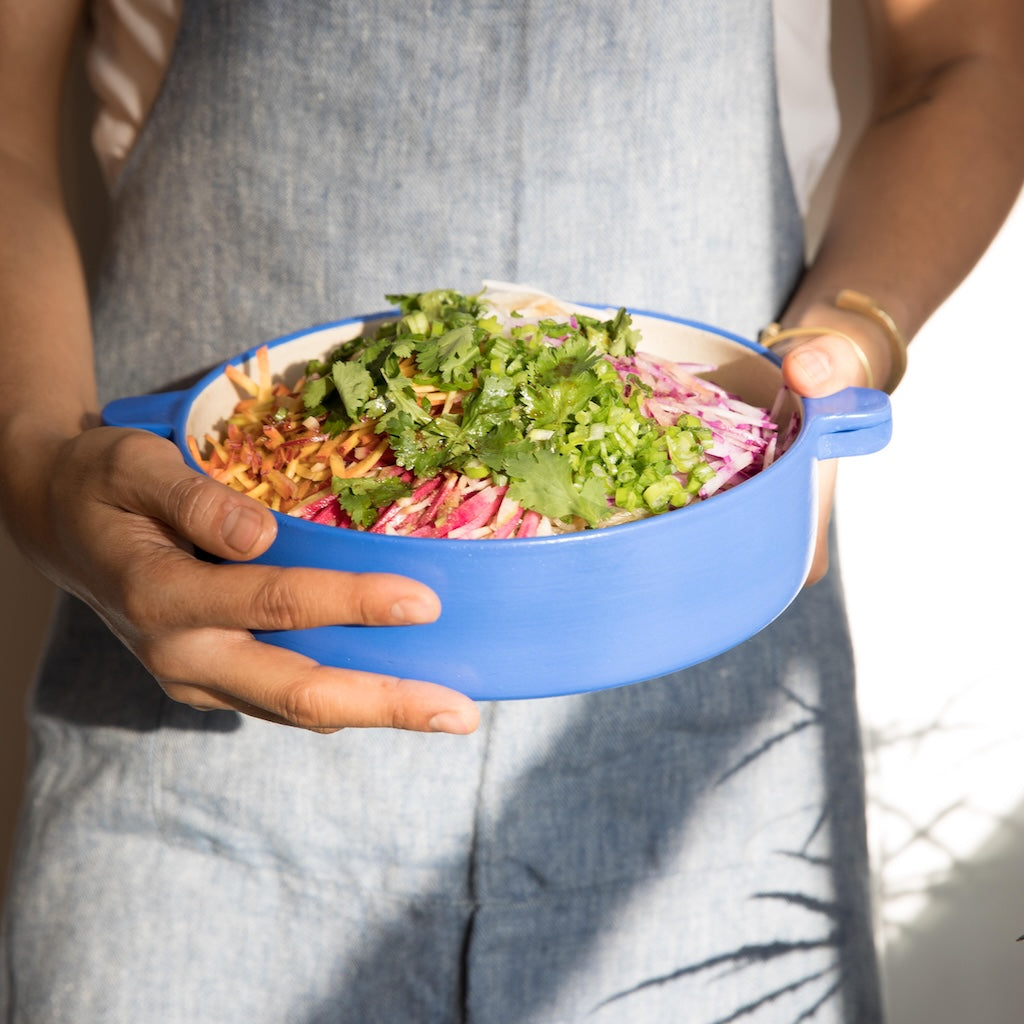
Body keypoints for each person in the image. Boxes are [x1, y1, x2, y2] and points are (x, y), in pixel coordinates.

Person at [0, 1, 1021, 1021]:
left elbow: (966, 50)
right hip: (183, 758)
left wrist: (851, 334)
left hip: (711, 776)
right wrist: (40, 461)